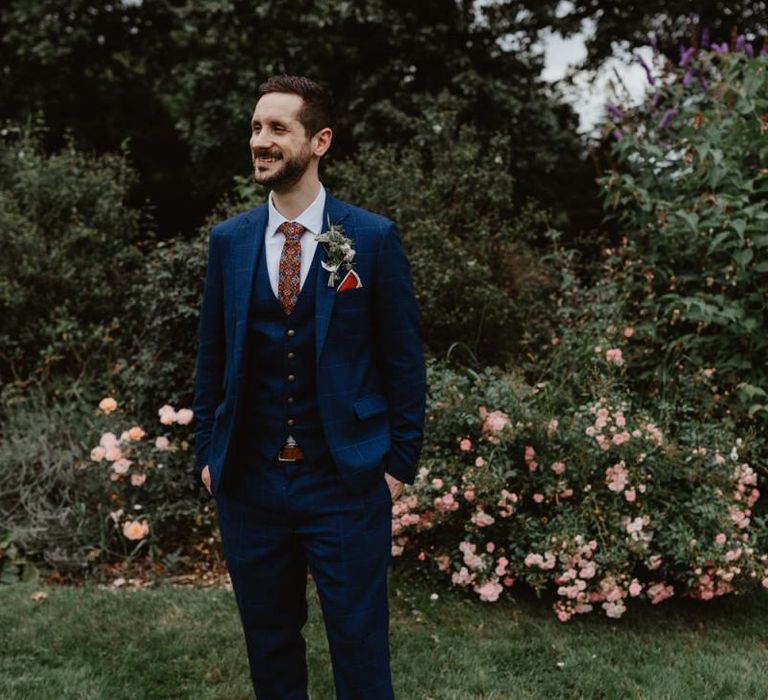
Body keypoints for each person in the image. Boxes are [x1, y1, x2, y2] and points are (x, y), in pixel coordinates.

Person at [191, 74, 427, 699]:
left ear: (319, 140)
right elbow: (210, 358)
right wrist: (207, 454)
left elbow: (403, 359)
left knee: (359, 646)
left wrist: (398, 462)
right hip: (249, 481)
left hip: (345, 481)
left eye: (276, 129)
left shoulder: (370, 239)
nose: (259, 141)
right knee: (269, 646)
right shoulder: (229, 242)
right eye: (255, 128)